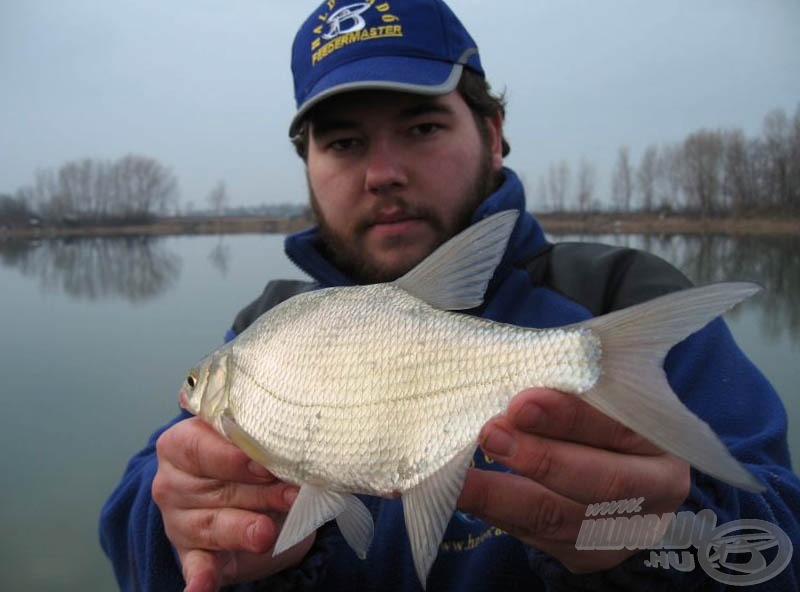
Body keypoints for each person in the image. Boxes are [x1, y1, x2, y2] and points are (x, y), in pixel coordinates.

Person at [100, 1, 800, 590]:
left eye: (421, 128)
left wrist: (656, 543)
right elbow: (143, 520)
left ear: (493, 135)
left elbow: (781, 546)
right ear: (308, 167)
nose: (381, 173)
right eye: (343, 142)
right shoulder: (269, 331)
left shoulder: (619, 295)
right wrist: (198, 539)